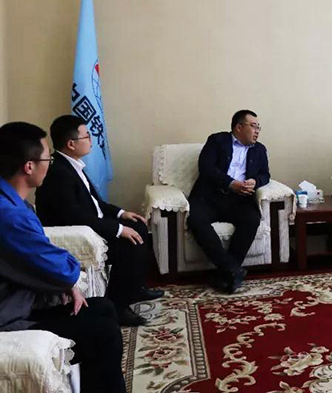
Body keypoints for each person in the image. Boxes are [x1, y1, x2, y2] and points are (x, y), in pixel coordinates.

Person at [0, 121, 126, 392]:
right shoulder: (8, 215)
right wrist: (65, 277)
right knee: (104, 334)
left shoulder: (12, 200)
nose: (51, 165)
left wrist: (64, 279)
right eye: (47, 159)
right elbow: (64, 268)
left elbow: (42, 259)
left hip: (20, 300)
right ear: (29, 166)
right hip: (9, 317)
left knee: (103, 308)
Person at [36, 115, 162, 327]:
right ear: (71, 143)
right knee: (128, 244)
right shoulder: (59, 173)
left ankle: (135, 288)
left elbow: (94, 202)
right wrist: (118, 229)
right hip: (78, 231)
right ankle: (119, 306)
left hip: (90, 221)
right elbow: (73, 216)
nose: (91, 140)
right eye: (87, 136)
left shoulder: (72, 165)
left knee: (138, 225)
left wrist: (121, 213)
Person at [187, 110, 270, 293]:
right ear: (239, 127)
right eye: (253, 126)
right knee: (195, 220)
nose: (257, 131)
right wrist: (230, 183)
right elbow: (206, 168)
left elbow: (265, 174)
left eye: (259, 127)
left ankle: (226, 273)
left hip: (239, 199)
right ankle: (232, 269)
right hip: (210, 196)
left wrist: (255, 181)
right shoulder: (217, 141)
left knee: (251, 219)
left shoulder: (259, 149)